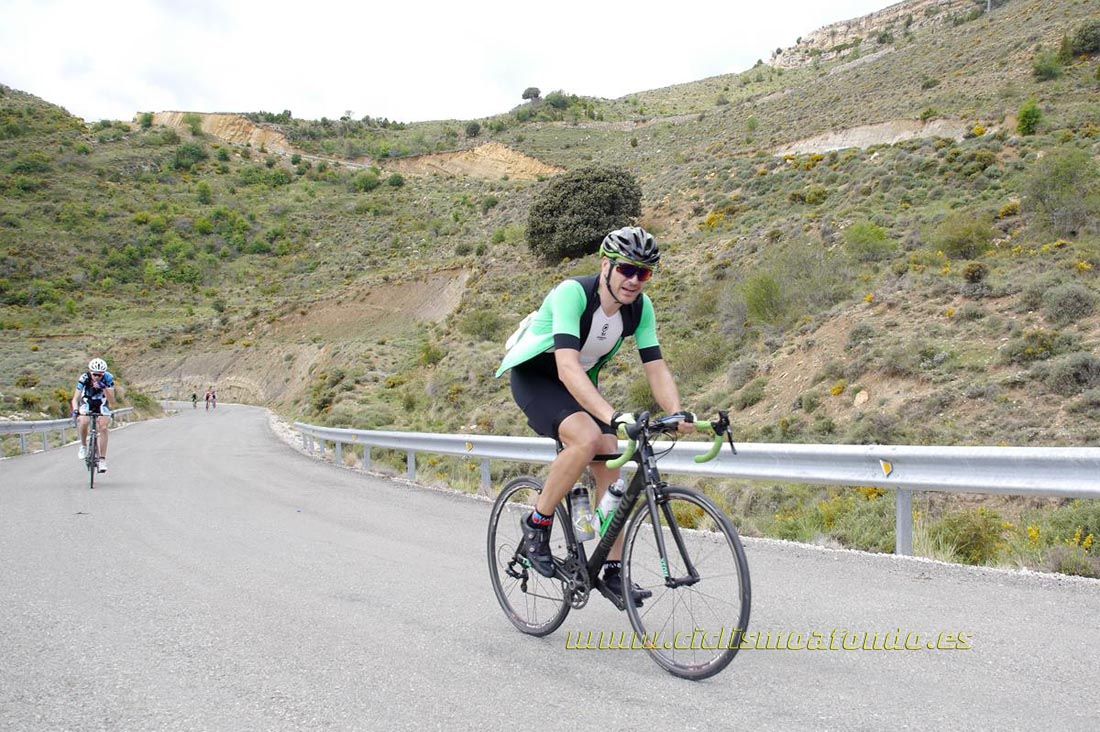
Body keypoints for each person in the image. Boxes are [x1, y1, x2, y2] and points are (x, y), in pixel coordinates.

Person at [495, 226, 695, 608]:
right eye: (626, 269)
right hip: (539, 376)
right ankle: (537, 522)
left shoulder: (641, 309)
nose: (634, 280)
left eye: (645, 273)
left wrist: (675, 412)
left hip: (578, 383)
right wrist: (613, 413)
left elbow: (655, 366)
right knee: (586, 438)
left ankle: (612, 569)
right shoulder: (572, 294)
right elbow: (568, 368)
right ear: (606, 265)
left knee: (610, 456)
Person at [71, 357, 116, 473]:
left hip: (102, 403)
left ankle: (102, 460)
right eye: (94, 374)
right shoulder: (84, 378)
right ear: (90, 372)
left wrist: (104, 388)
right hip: (87, 402)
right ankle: (83, 446)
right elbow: (75, 399)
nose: (97, 377)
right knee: (84, 421)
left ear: (104, 374)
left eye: (100, 375)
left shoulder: (108, 378)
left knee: (104, 427)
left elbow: (112, 401)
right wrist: (76, 410)